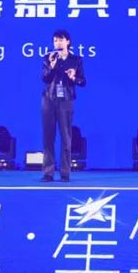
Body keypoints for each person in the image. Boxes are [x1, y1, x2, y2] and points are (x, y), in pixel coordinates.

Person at [41, 29, 86, 182]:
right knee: (48, 136)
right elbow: (45, 79)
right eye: (55, 40)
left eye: (60, 40)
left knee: (66, 137)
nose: (57, 43)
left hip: (66, 100)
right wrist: (52, 66)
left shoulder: (76, 60)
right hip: (49, 99)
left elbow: (83, 81)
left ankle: (65, 173)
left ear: (68, 41)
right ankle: (48, 173)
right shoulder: (49, 57)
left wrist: (74, 77)